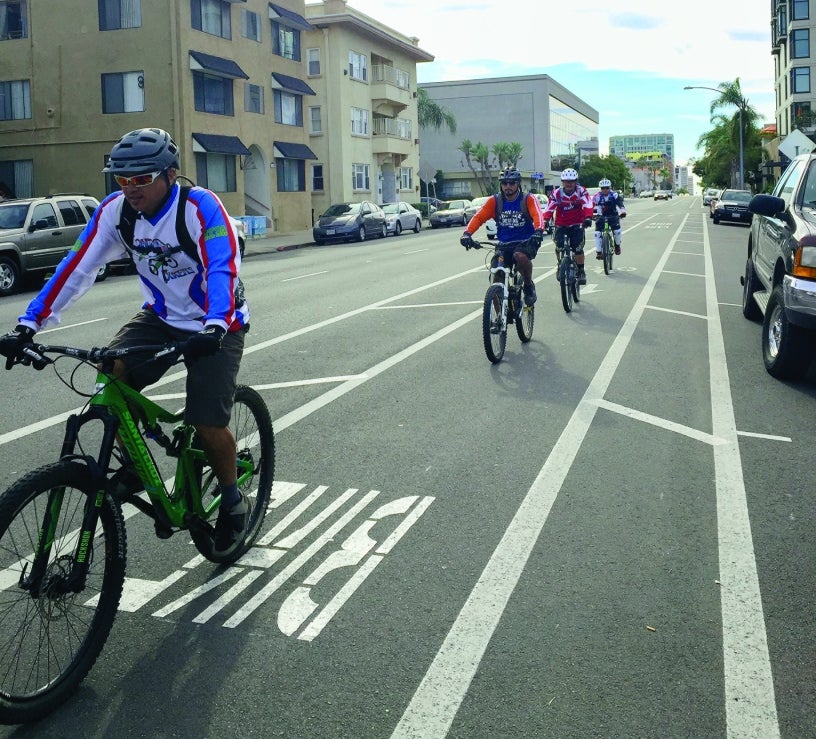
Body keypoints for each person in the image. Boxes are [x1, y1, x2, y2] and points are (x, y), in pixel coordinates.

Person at [0, 128, 251, 558]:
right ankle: (136, 467)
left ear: (170, 174)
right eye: (121, 180)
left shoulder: (199, 207)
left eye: (141, 179)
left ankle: (232, 501)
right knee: (110, 378)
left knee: (207, 421)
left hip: (217, 322)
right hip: (160, 318)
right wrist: (28, 323)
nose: (130, 189)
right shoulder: (115, 213)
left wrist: (215, 325)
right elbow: (75, 267)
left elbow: (223, 266)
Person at [460, 167, 545, 306]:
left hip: (527, 241)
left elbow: (537, 215)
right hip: (504, 243)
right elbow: (479, 217)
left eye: (512, 183)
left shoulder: (527, 199)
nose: (508, 186)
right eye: (505, 183)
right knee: (496, 278)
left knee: (519, 256)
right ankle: (498, 322)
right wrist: (467, 234)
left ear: (518, 184)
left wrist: (539, 230)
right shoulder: (495, 201)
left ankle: (529, 286)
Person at [541, 168, 594, 285]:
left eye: (571, 181)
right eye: (566, 181)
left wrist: (588, 217)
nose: (568, 184)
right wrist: (545, 221)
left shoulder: (581, 192)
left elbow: (588, 204)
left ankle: (580, 270)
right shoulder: (557, 193)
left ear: (576, 181)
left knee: (578, 248)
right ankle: (561, 264)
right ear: (562, 182)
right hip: (561, 224)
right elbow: (549, 208)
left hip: (577, 224)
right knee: (559, 246)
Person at [592, 178, 627, 258]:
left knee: (617, 231)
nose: (605, 190)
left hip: (613, 216)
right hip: (601, 217)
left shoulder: (614, 195)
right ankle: (599, 252)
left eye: (607, 188)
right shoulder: (597, 196)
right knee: (597, 233)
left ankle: (617, 246)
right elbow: (591, 206)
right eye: (603, 188)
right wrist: (588, 215)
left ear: (610, 188)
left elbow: (620, 204)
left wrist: (623, 211)